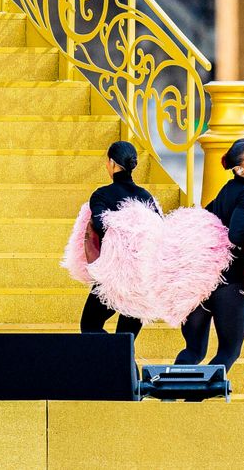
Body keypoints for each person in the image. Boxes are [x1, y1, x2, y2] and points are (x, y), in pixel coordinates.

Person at [175, 139, 244, 371]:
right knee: (229, 351)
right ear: (239, 169)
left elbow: (203, 219)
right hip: (229, 283)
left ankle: (173, 395)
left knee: (194, 350)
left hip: (201, 283)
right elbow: (236, 235)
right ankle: (194, 398)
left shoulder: (226, 190)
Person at [80, 141, 158, 339]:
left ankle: (109, 357)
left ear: (112, 163)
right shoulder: (145, 196)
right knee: (127, 340)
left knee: (89, 324)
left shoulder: (102, 195)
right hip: (141, 279)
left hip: (112, 277)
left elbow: (100, 223)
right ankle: (122, 363)